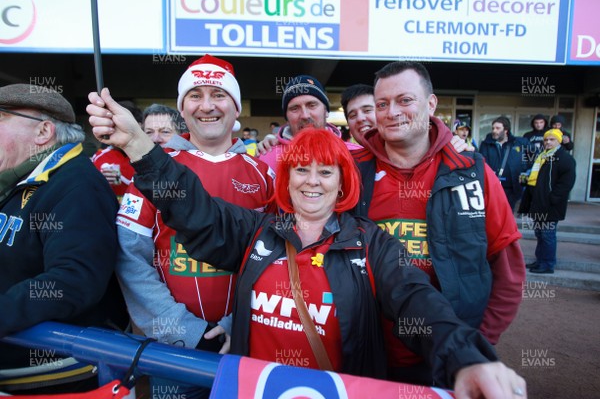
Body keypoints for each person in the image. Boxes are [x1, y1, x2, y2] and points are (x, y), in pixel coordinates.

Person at [87, 94, 528, 397]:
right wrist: (140, 145)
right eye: (300, 170)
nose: (311, 181)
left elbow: (420, 303)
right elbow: (195, 210)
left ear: (342, 184)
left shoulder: (370, 245)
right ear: (286, 179)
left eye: (325, 172)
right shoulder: (257, 230)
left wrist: (467, 358)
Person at [352, 62, 525, 386]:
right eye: (382, 104)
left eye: (405, 100)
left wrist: (474, 345)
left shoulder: (473, 172)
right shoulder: (350, 171)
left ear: (431, 104)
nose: (391, 112)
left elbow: (509, 272)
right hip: (365, 356)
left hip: (447, 362)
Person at [111, 55, 274, 398]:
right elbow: (130, 258)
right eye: (195, 96)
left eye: (218, 94)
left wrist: (236, 325)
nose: (207, 105)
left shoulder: (264, 174)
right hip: (173, 352)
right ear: (181, 111)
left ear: (236, 108)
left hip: (244, 345)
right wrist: (184, 330)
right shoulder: (151, 170)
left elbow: (276, 262)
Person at [0, 84, 127, 394]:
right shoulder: (18, 178)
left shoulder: (77, 186)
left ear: (43, 131)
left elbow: (72, 280)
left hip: (53, 377)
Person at [257, 75, 361, 169]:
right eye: (295, 108)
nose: (305, 115)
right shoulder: (266, 158)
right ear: (287, 117)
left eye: (312, 105)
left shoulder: (356, 155)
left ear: (326, 111)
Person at [519, 129, 576, 274]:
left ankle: (548, 264)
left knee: (547, 234)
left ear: (559, 141)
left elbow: (566, 183)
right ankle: (540, 261)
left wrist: (552, 198)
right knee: (540, 233)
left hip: (550, 205)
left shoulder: (565, 159)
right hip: (538, 202)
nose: (548, 142)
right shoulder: (543, 156)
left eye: (552, 139)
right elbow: (536, 177)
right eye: (546, 140)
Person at [91, 101, 144, 200]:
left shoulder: (148, 155)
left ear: (139, 126)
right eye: (114, 126)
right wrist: (99, 179)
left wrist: (122, 178)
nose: (118, 131)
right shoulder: (100, 157)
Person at [479, 116, 530, 211]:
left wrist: (524, 172)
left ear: (506, 130)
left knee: (508, 213)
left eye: (498, 128)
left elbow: (531, 160)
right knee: (492, 213)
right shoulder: (486, 144)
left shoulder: (520, 143)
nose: (494, 130)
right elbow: (481, 162)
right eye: (493, 128)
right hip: (492, 186)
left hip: (512, 188)